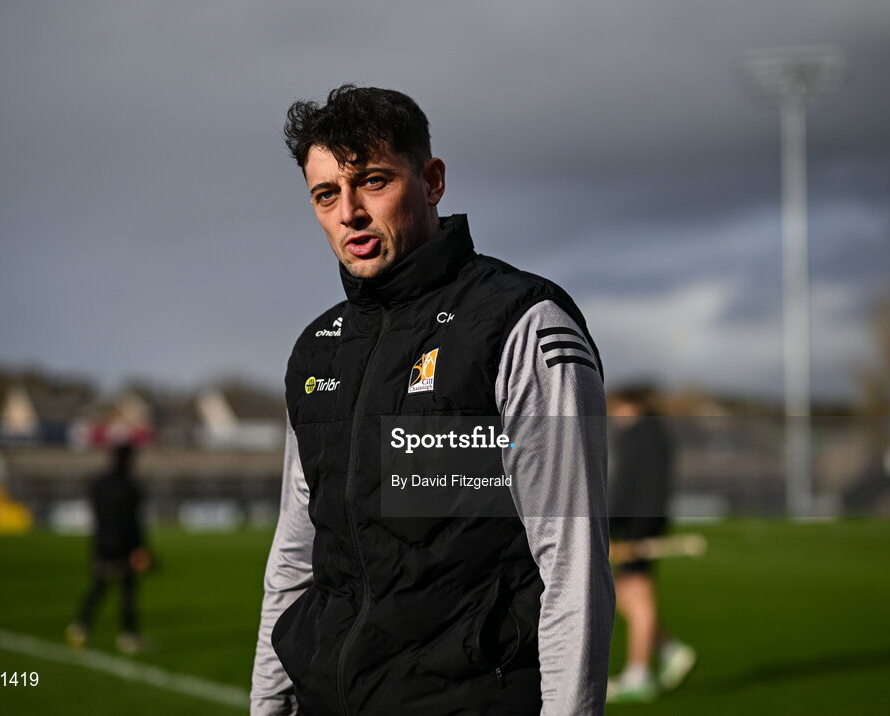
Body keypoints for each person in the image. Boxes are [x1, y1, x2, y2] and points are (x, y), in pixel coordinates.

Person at [250, 84, 614, 716]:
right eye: (326, 194)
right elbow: (294, 557)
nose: (350, 213)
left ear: (433, 180)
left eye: (373, 182)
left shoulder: (522, 323)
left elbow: (572, 570)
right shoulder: (316, 351)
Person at [605, 385, 696, 703]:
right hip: (643, 521)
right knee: (623, 593)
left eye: (616, 409)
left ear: (631, 406)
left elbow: (628, 486)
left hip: (638, 524)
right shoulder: (655, 434)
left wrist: (612, 524)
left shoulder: (638, 437)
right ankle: (670, 649)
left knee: (637, 592)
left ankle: (639, 674)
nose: (613, 416)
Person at [65, 442, 151, 655]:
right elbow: (133, 521)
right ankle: (128, 637)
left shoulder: (99, 484)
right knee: (127, 591)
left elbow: (98, 515)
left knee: (99, 586)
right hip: (124, 546)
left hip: (102, 544)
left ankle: (79, 626)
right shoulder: (131, 486)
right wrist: (140, 548)